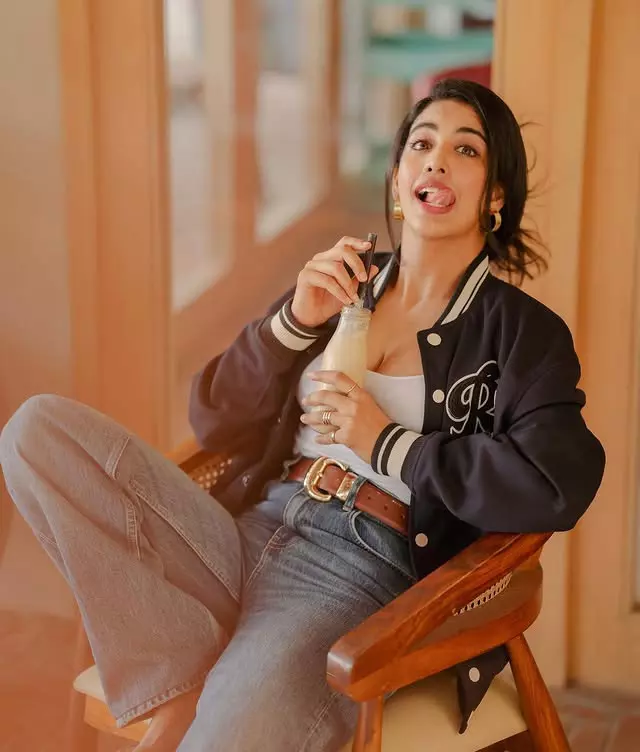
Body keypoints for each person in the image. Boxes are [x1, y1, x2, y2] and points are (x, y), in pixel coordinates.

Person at [0, 80, 605, 751]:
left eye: (466, 150)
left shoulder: (520, 334)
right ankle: (184, 681)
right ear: (398, 177)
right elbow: (216, 419)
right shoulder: (344, 281)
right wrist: (290, 323)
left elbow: (557, 482)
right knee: (36, 433)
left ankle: (202, 690)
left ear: (495, 195)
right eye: (421, 144)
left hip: (358, 569)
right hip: (245, 530)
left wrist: (387, 443)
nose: (435, 159)